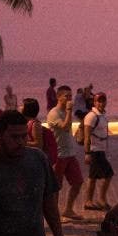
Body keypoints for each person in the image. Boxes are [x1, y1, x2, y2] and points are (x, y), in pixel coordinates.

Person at [0, 110, 68, 236]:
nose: (21, 142)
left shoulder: (38, 159)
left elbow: (50, 205)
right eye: (14, 137)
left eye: (24, 136)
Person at [46, 85, 84, 220]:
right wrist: (69, 110)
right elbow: (65, 126)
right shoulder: (54, 113)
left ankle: (68, 209)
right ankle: (54, 214)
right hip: (59, 155)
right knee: (56, 187)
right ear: (58, 97)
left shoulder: (67, 112)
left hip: (70, 153)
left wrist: (69, 111)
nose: (69, 99)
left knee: (78, 182)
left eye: (70, 96)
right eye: (66, 96)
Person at [83, 92, 113, 210]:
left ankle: (91, 201)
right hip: (94, 150)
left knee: (93, 177)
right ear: (94, 102)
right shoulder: (91, 116)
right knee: (107, 174)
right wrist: (87, 153)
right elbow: (87, 136)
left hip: (100, 150)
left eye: (103, 101)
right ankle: (98, 200)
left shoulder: (102, 115)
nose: (101, 103)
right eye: (99, 101)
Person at [22, 98, 58, 167]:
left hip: (37, 161)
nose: (20, 107)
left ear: (27, 109)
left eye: (22, 106)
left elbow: (38, 144)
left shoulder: (35, 124)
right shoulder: (28, 123)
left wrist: (22, 143)